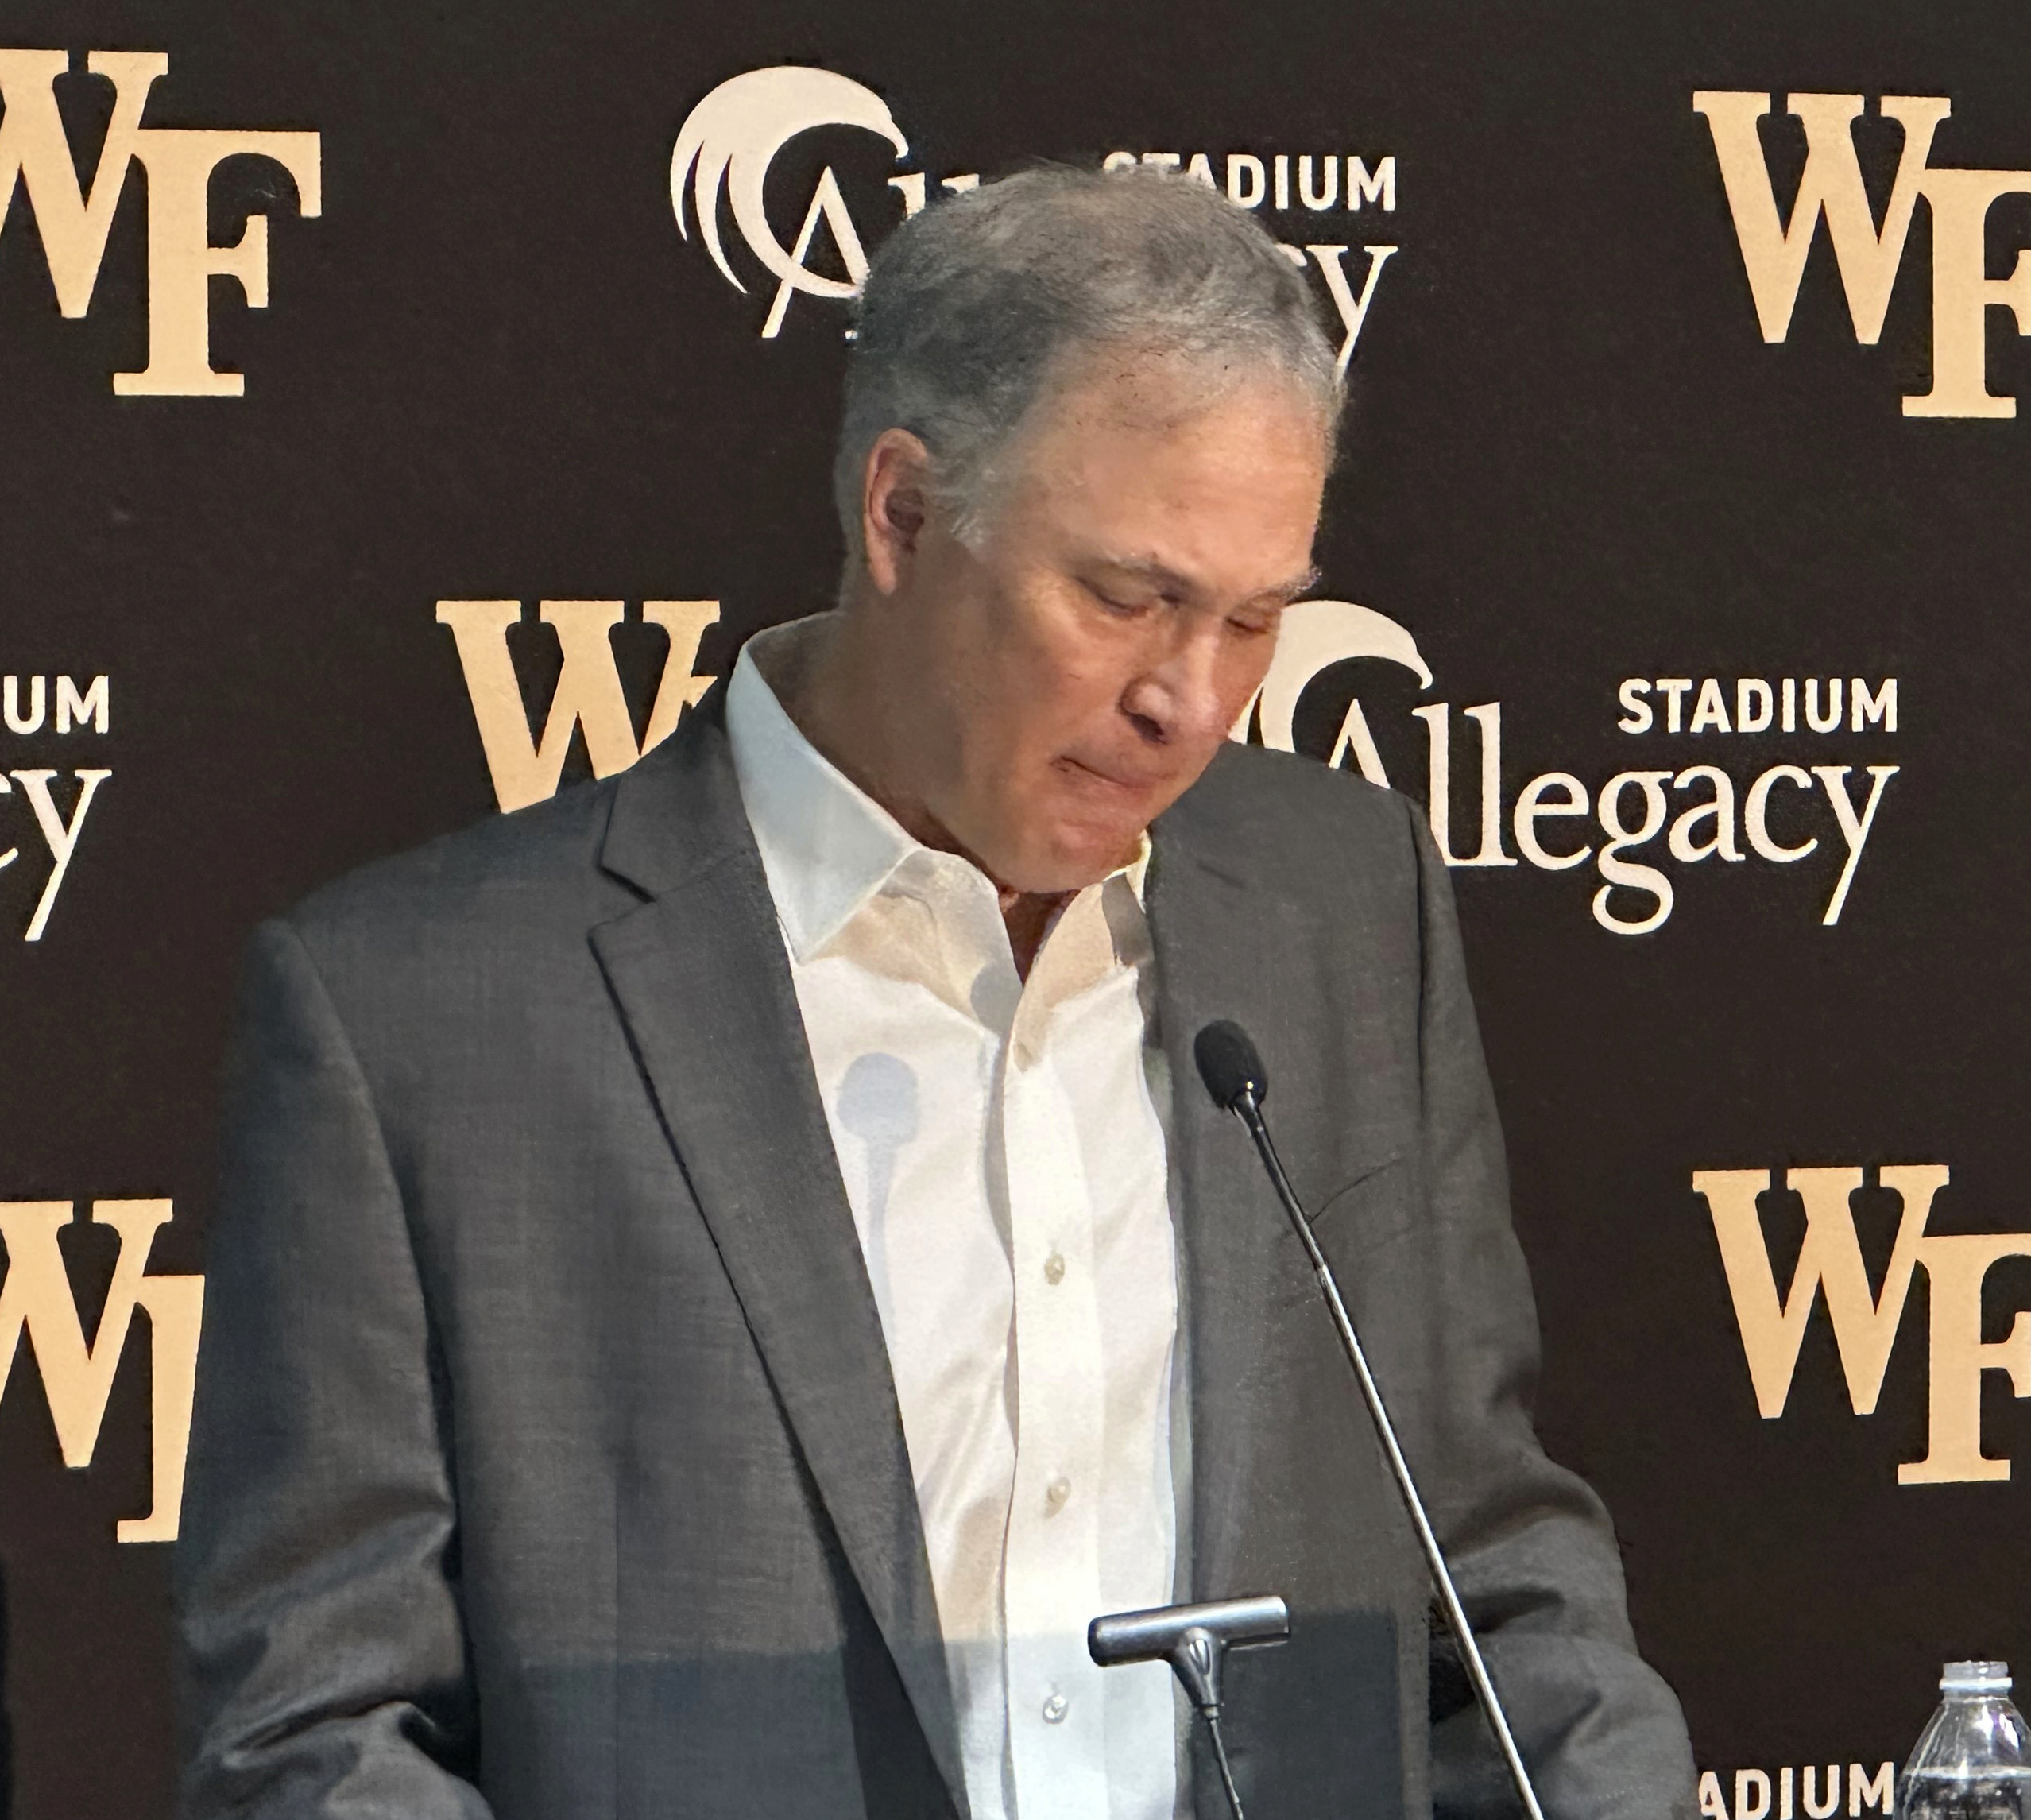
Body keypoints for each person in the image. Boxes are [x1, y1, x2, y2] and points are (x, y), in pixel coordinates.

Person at [176, 165, 1691, 1820]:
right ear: (900, 513)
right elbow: (321, 1734)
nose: (1190, 702)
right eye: (1128, 598)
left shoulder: (1340, 906)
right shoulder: (423, 1018)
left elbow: (1483, 1558)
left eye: (1255, 618)